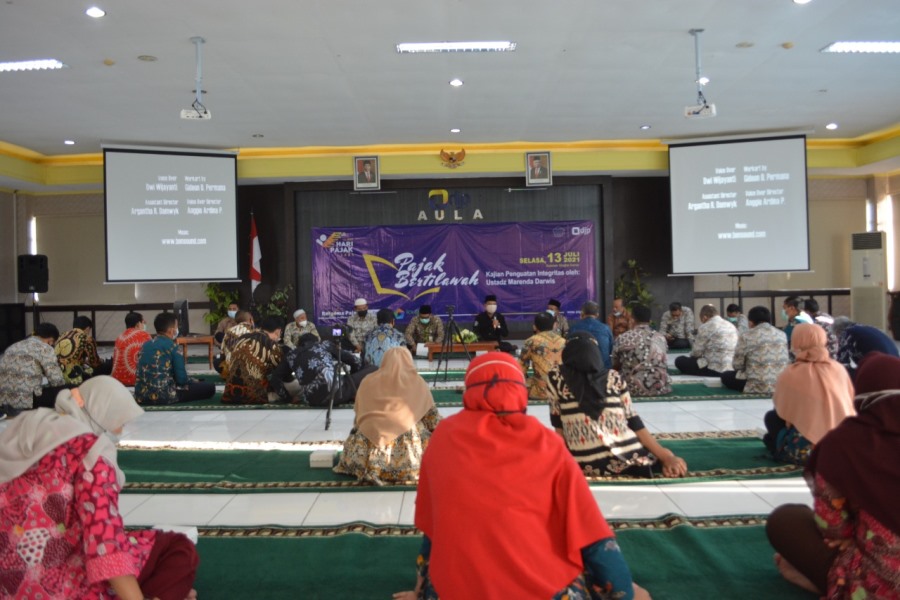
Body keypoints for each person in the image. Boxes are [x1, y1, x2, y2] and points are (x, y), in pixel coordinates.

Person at [394, 351, 650, 600]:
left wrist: (419, 591)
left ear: (469, 391)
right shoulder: (547, 444)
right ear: (520, 391)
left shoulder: (443, 438)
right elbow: (590, 532)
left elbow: (433, 528)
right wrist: (625, 591)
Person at [0, 376, 199, 599]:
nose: (119, 431)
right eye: (119, 422)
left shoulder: (25, 428)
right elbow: (104, 540)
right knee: (179, 548)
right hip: (60, 586)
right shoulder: (91, 453)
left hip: (7, 582)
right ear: (104, 413)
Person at [766, 352, 900, 599]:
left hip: (880, 588)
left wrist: (851, 537)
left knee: (786, 520)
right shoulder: (835, 370)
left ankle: (833, 584)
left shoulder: (845, 443)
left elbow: (834, 528)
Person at [548, 332, 687, 478]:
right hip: (628, 460)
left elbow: (559, 427)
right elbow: (634, 421)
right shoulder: (613, 377)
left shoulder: (555, 377)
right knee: (664, 452)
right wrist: (666, 457)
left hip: (583, 464)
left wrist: (560, 464)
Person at [333, 347, 441, 485]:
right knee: (423, 434)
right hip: (406, 455)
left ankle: (372, 468)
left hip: (365, 447)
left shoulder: (368, 380)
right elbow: (432, 419)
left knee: (363, 428)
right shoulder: (417, 382)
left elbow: (359, 413)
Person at [763, 324, 855, 465]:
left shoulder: (791, 373)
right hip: (845, 446)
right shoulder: (839, 369)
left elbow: (782, 410)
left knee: (771, 418)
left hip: (806, 452)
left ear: (797, 342)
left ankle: (792, 447)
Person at [269, 333, 375, 407]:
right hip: (338, 393)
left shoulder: (291, 355)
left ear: (299, 345)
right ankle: (356, 394)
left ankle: (351, 391)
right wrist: (352, 379)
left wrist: (288, 399)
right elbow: (355, 361)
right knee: (373, 368)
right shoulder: (325, 345)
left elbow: (275, 378)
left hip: (313, 400)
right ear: (317, 341)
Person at [134, 312, 216, 405]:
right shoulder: (173, 347)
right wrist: (192, 381)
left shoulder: (145, 345)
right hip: (165, 395)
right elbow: (181, 380)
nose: (177, 330)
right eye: (177, 327)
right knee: (210, 387)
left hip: (141, 396)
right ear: (171, 331)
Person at [720, 306, 790, 394]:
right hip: (779, 384)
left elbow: (737, 365)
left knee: (726, 375)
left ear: (750, 322)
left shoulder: (746, 336)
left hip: (755, 385)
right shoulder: (782, 334)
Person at [0, 322, 66, 412]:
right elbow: (56, 381)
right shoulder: (45, 348)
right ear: (51, 340)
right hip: (27, 400)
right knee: (68, 389)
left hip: (4, 399)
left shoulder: (13, 346)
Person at [612, 304, 671, 397]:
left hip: (631, 388)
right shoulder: (661, 337)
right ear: (649, 320)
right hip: (659, 388)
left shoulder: (623, 337)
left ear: (632, 319)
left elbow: (615, 364)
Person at [222, 315, 284, 405]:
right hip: (254, 396)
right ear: (278, 331)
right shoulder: (272, 345)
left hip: (229, 394)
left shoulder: (242, 338)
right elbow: (280, 371)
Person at [674, 305, 738, 377]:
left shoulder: (705, 327)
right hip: (731, 367)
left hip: (713, 369)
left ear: (704, 317)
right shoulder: (731, 325)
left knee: (680, 360)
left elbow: (696, 353)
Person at [832, 317, 900, 381]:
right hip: (895, 365)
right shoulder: (865, 329)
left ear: (838, 331)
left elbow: (841, 361)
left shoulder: (848, 333)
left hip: (883, 369)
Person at [518, 312, 566, 401]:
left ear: (534, 327)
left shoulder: (531, 341)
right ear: (554, 325)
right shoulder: (563, 342)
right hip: (561, 390)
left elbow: (521, 368)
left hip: (540, 392)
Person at [55, 315, 109, 384]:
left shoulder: (62, 335)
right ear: (87, 328)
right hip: (73, 376)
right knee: (107, 365)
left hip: (58, 374)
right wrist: (101, 361)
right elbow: (94, 363)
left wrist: (83, 361)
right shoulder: (87, 338)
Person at [111, 311, 153, 387]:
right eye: (143, 322)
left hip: (117, 380)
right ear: (138, 324)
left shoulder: (119, 337)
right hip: (135, 381)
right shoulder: (144, 335)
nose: (144, 325)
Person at [568, 301, 614, 369]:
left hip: (580, 370)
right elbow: (611, 349)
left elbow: (569, 350)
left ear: (582, 313)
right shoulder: (606, 329)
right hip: (603, 369)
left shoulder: (574, 328)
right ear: (597, 314)